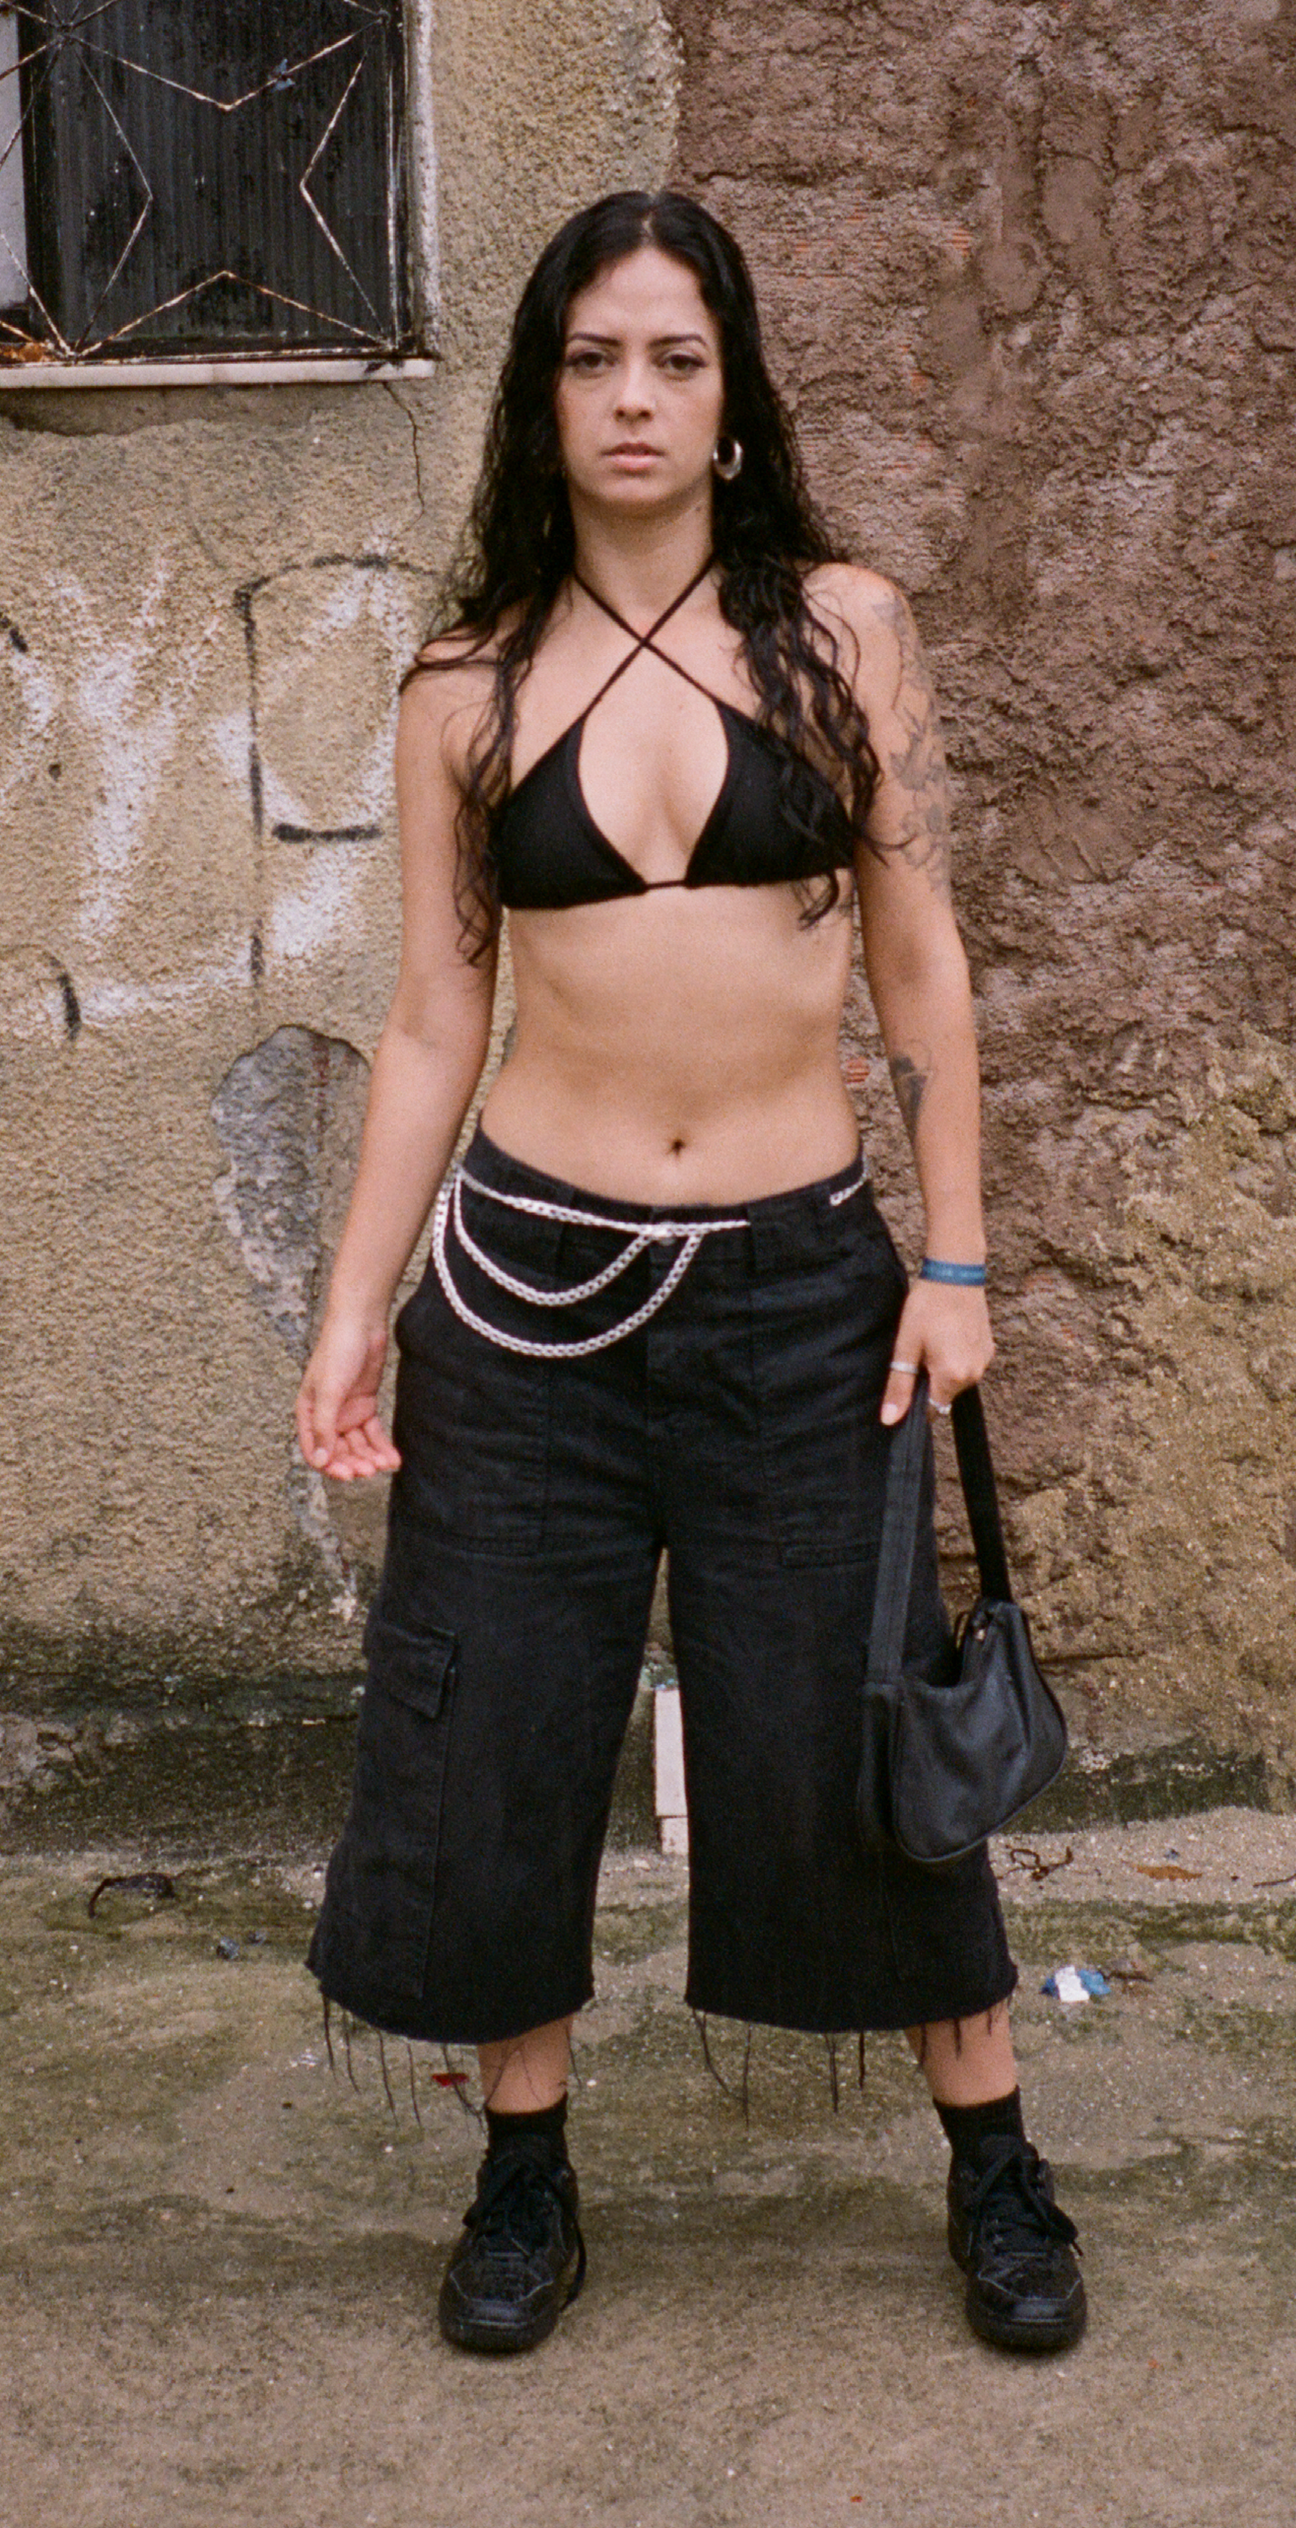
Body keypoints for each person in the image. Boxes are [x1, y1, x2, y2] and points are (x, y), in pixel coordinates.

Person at [294, 190, 1083, 2359]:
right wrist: (354, 1309)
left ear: (732, 401)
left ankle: (996, 2160)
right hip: (523, 1296)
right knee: (498, 1730)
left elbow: (920, 966)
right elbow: (432, 1021)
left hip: (797, 1293)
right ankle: (523, 2175)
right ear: (540, 399)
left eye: (674, 359)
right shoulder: (464, 685)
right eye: (591, 360)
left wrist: (951, 1256)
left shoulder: (843, 631)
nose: (631, 398)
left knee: (849, 1725)